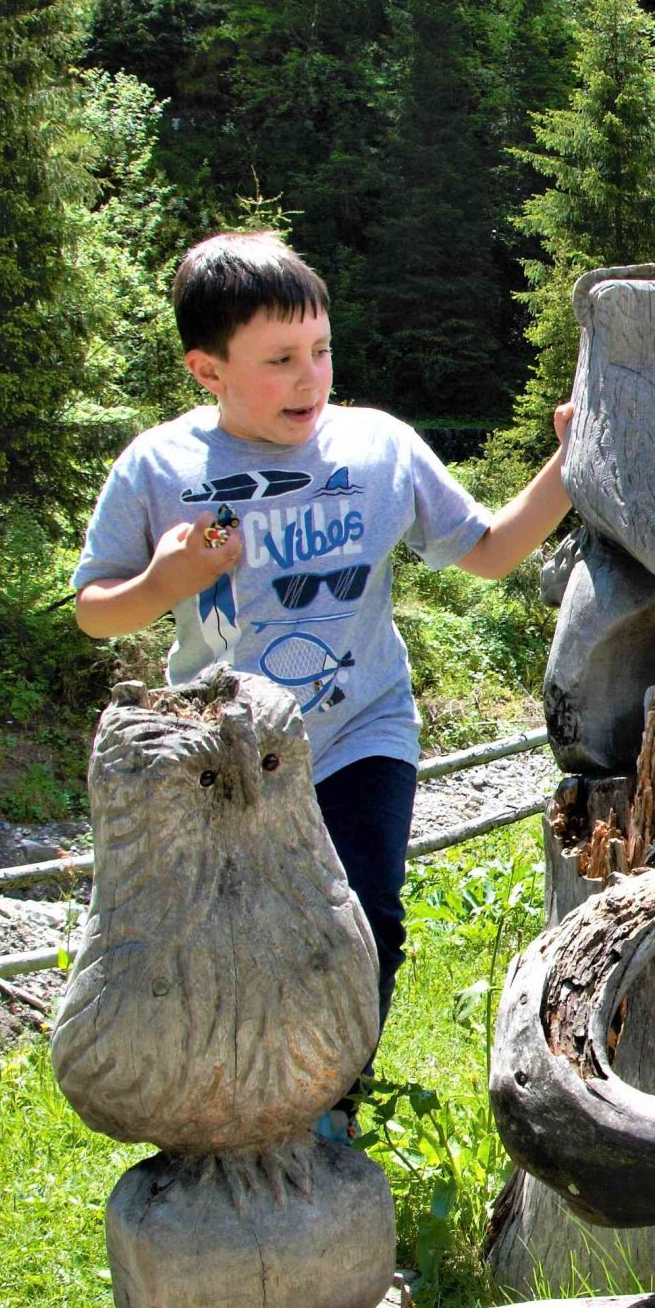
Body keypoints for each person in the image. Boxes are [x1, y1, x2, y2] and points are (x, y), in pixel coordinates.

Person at [72, 231, 572, 1105]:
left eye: (320, 350)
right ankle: (234, 1103)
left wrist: (572, 461)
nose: (310, 377)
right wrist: (166, 579)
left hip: (360, 729)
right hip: (219, 750)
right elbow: (95, 607)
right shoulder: (159, 468)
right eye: (279, 360)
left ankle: (334, 1101)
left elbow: (490, 551)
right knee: (230, 934)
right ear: (207, 369)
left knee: (363, 916)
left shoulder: (379, 447)